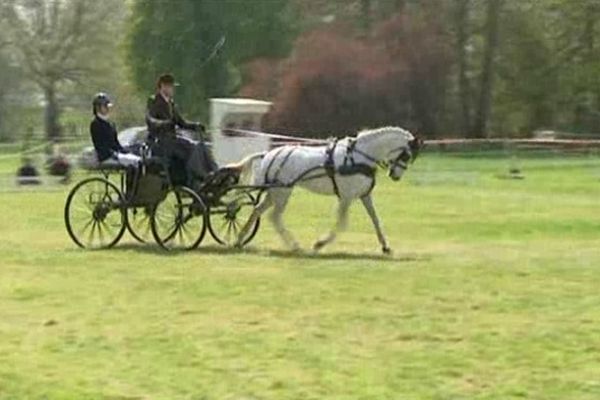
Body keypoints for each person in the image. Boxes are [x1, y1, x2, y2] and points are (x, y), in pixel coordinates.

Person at [145, 73, 217, 187]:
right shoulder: (154, 101)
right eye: (171, 86)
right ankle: (198, 176)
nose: (173, 89)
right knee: (193, 147)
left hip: (173, 141)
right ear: (163, 86)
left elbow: (181, 123)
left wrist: (196, 126)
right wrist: (166, 123)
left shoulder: (171, 103)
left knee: (202, 146)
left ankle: (214, 171)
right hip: (161, 142)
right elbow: (151, 120)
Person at [90, 93, 141, 167]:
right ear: (98, 107)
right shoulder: (96, 124)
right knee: (136, 161)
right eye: (105, 106)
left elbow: (116, 143)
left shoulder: (110, 123)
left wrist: (124, 151)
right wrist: (115, 154)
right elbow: (101, 146)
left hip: (116, 154)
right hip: (106, 156)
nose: (108, 109)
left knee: (138, 158)